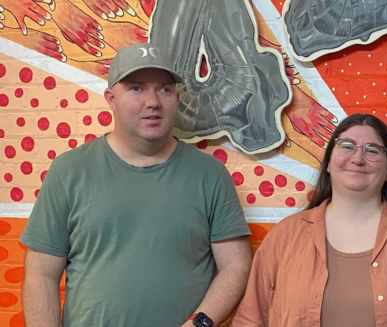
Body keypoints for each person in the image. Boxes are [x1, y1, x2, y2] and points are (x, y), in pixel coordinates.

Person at [20, 43, 252, 327]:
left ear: (177, 97)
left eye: (164, 89)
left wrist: (199, 324)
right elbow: (41, 273)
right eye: (136, 88)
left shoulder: (211, 174)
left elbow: (235, 266)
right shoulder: (69, 171)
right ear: (111, 98)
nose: (153, 102)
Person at [232, 114, 387, 327]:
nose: (358, 158)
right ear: (328, 162)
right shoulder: (284, 238)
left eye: (372, 150)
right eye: (347, 146)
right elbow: (251, 320)